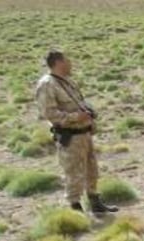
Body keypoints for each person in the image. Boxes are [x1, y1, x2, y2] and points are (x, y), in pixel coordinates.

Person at [34, 50, 117, 215]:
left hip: (84, 133)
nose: (70, 63)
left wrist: (88, 113)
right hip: (70, 136)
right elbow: (49, 113)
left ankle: (94, 202)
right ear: (58, 63)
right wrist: (75, 117)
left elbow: (78, 103)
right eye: (67, 60)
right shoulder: (47, 84)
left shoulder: (66, 82)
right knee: (73, 172)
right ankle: (75, 208)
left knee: (91, 169)